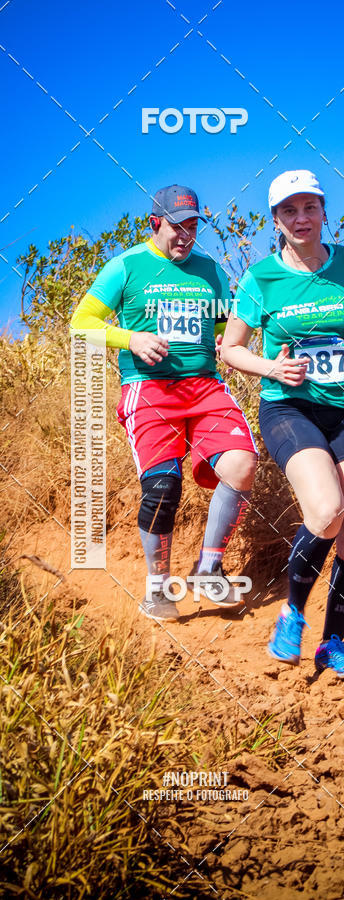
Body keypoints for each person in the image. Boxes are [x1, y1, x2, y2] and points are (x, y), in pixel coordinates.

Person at [220, 170, 344, 678]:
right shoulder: (261, 278)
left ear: (323, 212)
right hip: (289, 409)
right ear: (276, 220)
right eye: (289, 211)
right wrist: (271, 368)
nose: (301, 218)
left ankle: (332, 642)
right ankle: (292, 612)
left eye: (309, 208)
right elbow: (230, 348)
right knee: (326, 511)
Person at [71, 184, 258, 623]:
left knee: (242, 464)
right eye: (177, 226)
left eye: (193, 226)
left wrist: (228, 344)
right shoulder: (126, 266)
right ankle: (158, 590)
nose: (186, 236)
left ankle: (208, 569)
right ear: (155, 223)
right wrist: (130, 339)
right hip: (149, 389)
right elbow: (82, 322)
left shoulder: (210, 272)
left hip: (205, 388)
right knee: (162, 488)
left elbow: (223, 328)